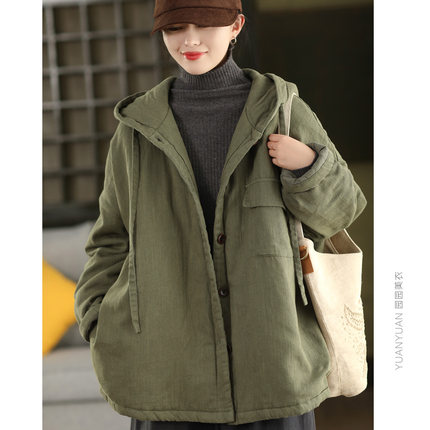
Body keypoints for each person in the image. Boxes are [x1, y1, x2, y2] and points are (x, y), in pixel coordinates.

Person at [74, 1, 367, 429]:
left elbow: (342, 210)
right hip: (165, 374)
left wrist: (308, 166)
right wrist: (95, 316)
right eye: (175, 28)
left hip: (274, 364)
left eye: (205, 24)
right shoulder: (135, 131)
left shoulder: (282, 110)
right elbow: (110, 240)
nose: (189, 40)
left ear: (236, 26)